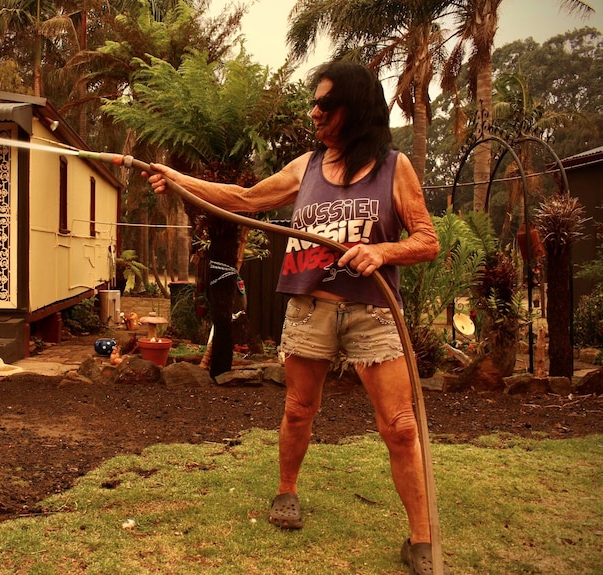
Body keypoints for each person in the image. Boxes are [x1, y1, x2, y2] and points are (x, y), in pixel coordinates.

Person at [145, 61, 446, 575]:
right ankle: (287, 491)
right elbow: (242, 200)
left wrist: (382, 253)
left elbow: (427, 239)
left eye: (326, 105)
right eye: (315, 103)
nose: (315, 113)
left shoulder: (395, 168)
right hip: (309, 306)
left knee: (399, 426)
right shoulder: (306, 167)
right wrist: (174, 179)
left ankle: (420, 539)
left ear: (356, 109)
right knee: (299, 409)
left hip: (371, 310)